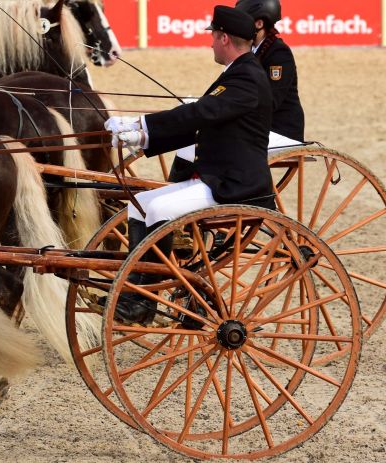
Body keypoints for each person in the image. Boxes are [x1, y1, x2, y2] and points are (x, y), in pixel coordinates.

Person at [103, 5, 273, 324]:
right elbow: (200, 123)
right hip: (215, 175)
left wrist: (141, 123)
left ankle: (143, 300)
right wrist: (141, 137)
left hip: (235, 184)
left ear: (223, 38)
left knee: (157, 209)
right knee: (139, 204)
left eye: (213, 37)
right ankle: (134, 292)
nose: (211, 43)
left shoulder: (247, 77)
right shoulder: (238, 72)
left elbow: (200, 113)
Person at [237, 0, 304, 143]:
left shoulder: (279, 53)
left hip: (281, 131)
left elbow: (271, 101)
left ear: (259, 24)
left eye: (243, 22)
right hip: (262, 127)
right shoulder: (251, 50)